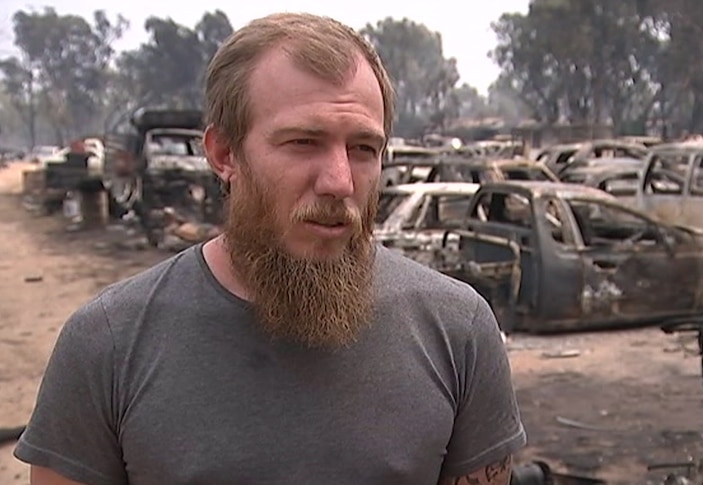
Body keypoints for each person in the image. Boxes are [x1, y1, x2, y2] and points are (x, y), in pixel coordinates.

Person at [14, 11, 526, 485]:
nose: (339, 181)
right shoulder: (108, 344)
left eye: (363, 148)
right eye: (303, 142)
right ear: (223, 153)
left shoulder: (459, 332)